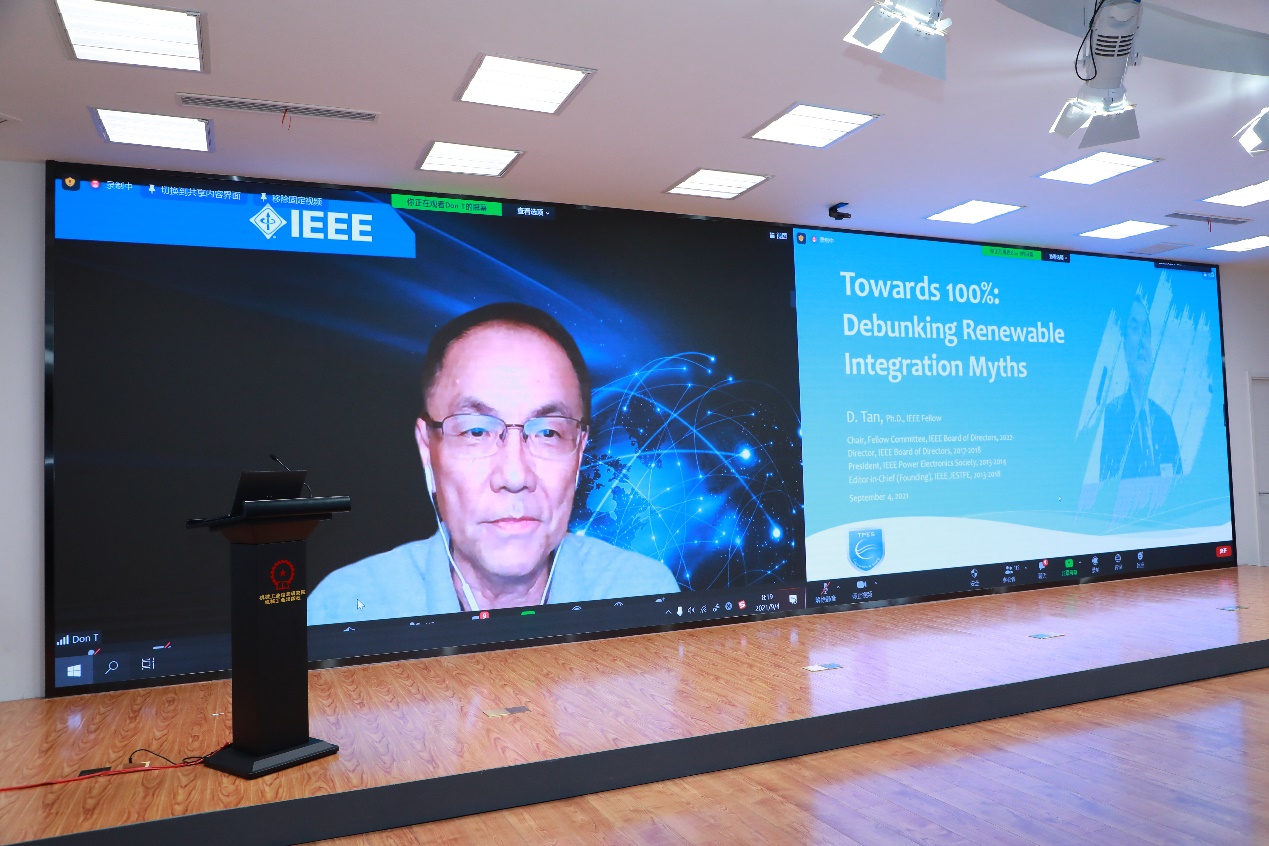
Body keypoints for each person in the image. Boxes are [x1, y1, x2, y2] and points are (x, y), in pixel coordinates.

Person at [309, 303, 679, 625]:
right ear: (426, 447)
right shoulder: (346, 605)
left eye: (548, 432)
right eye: (476, 431)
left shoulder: (643, 592)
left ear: (580, 450)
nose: (514, 476)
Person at [1099, 295, 1182, 481]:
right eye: (1135, 329)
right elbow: (1107, 486)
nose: (1143, 342)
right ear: (1124, 343)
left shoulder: (1164, 420)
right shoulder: (1114, 414)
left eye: (1146, 332)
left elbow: (1180, 485)